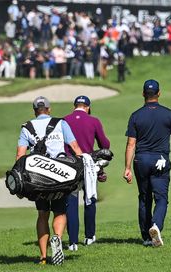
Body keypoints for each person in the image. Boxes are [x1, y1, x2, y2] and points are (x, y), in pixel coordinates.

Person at [16, 96, 85, 266]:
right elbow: (75, 148)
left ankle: (43, 257)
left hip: (37, 178)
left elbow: (20, 156)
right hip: (58, 176)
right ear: (49, 109)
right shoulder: (61, 123)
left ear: (34, 111)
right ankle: (58, 238)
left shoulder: (26, 128)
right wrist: (84, 167)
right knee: (60, 212)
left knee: (42, 214)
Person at [123, 79, 171, 247]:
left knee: (144, 198)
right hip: (161, 160)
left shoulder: (136, 115)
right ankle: (156, 225)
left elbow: (131, 144)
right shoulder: (169, 114)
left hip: (141, 160)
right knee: (161, 198)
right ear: (159, 93)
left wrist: (127, 168)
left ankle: (146, 237)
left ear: (143, 94)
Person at [62, 95, 110, 251]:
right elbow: (105, 144)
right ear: (87, 107)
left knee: (71, 203)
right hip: (88, 165)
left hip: (69, 166)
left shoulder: (64, 120)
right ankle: (89, 237)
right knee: (90, 199)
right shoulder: (93, 120)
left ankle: (73, 242)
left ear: (74, 105)